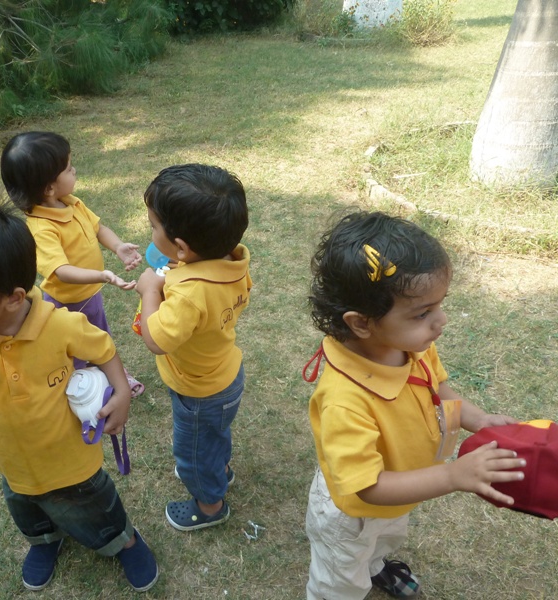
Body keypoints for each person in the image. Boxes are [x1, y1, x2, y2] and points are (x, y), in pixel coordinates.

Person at [0, 198, 158, 592]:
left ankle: (124, 541)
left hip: (72, 461)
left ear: (14, 297)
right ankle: (44, 540)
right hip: (13, 463)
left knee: (97, 507)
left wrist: (122, 391)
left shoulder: (60, 326)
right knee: (26, 507)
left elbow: (103, 349)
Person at [302, 210, 524, 599]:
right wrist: (452, 476)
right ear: (361, 323)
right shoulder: (345, 400)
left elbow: (441, 390)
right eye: (423, 313)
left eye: (439, 305)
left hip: (403, 488)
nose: (441, 320)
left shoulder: (412, 347)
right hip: (351, 515)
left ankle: (375, 566)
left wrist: (480, 419)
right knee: (340, 579)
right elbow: (368, 487)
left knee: (385, 539)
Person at [135, 164, 251, 531]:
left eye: (153, 226)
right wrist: (180, 267)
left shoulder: (187, 295)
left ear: (183, 248)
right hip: (225, 374)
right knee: (215, 434)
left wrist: (149, 290)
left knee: (193, 454)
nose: (151, 232)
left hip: (198, 390)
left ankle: (209, 504)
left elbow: (156, 339)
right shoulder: (233, 260)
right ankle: (219, 467)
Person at [0, 131, 144, 396]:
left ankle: (112, 373)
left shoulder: (72, 203)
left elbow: (98, 228)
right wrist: (102, 275)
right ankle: (81, 389)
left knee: (99, 335)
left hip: (90, 295)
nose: (74, 170)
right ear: (49, 188)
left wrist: (118, 247)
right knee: (72, 347)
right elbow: (62, 271)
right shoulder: (41, 228)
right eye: (68, 168)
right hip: (66, 304)